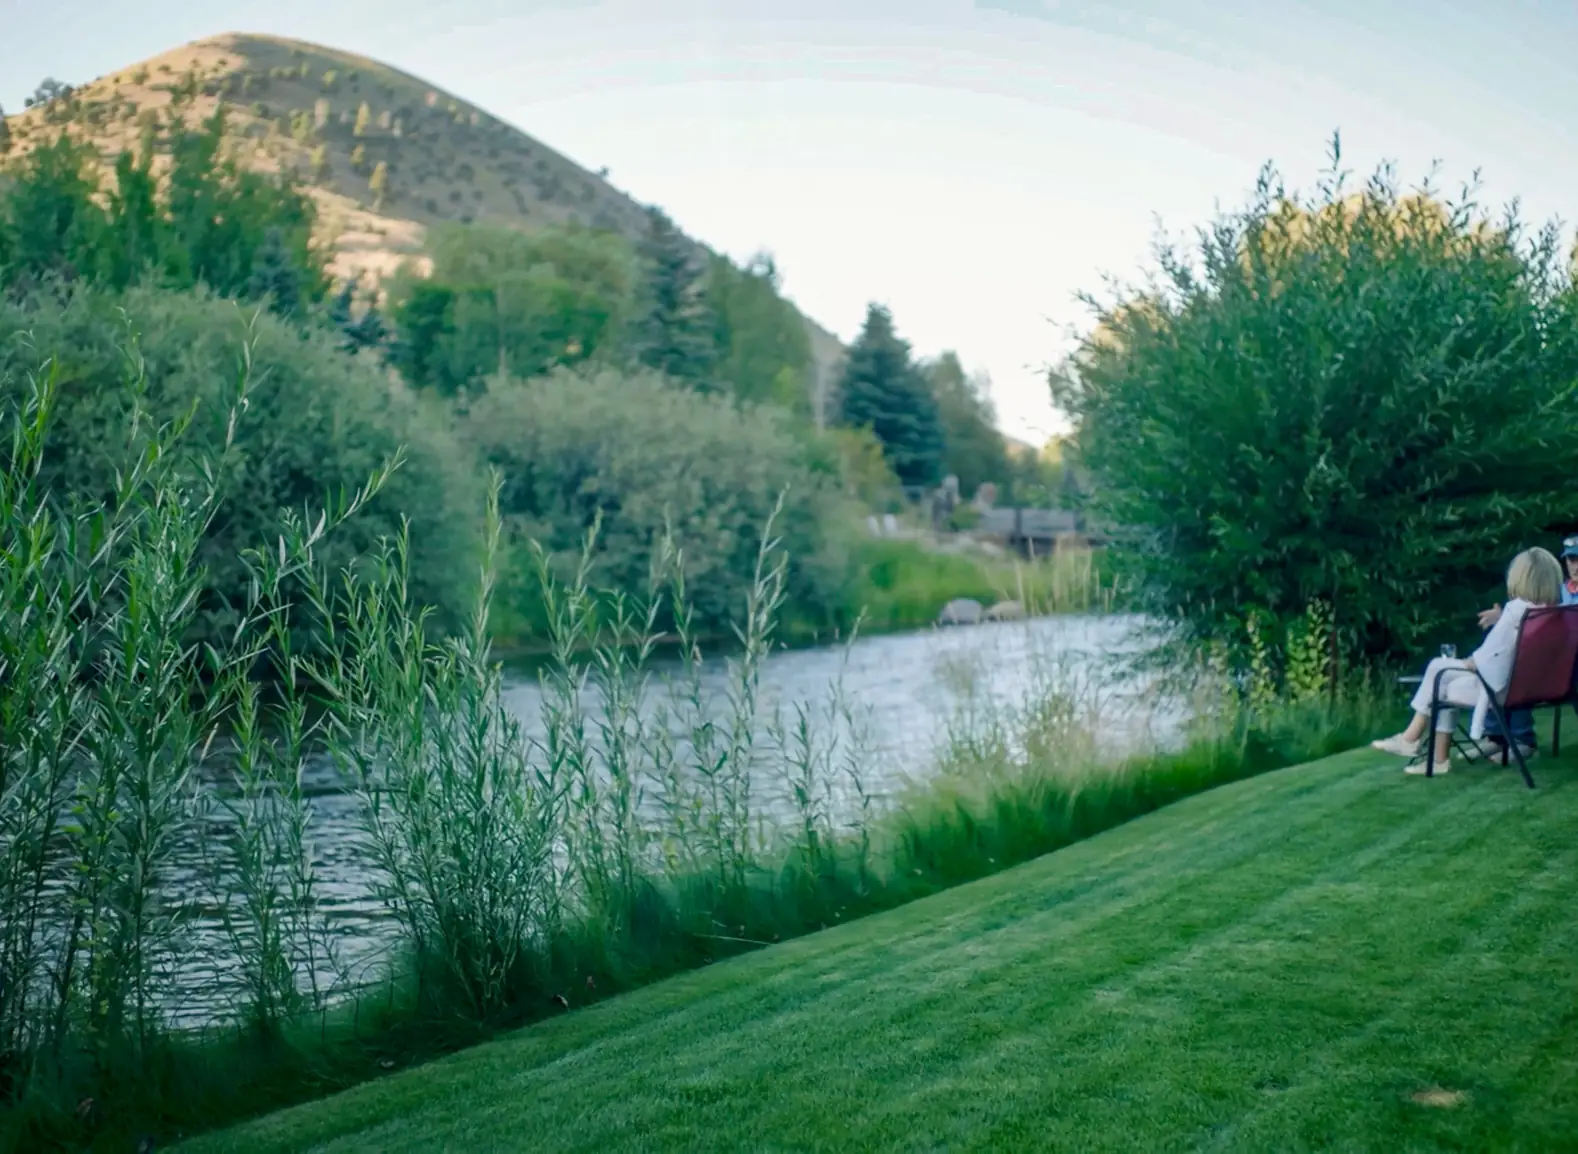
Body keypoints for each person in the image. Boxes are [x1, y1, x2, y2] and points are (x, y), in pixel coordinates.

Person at [1372, 547, 1564, 775]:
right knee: (1443, 681)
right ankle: (1431, 755)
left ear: (1520, 577)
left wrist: (1469, 663)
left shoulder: (1515, 611)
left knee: (1438, 672)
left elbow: (1488, 655)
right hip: (1530, 689)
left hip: (1502, 693)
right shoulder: (1553, 614)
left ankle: (1414, 741)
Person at [1471, 534, 1578, 759]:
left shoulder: (1554, 593)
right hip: (1548, 658)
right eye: (1570, 560)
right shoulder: (1556, 590)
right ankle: (1497, 736)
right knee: (1508, 661)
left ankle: (1521, 738)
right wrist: (1503, 618)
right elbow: (1533, 620)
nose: (1574, 566)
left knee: (1521, 666)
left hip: (1567, 664)